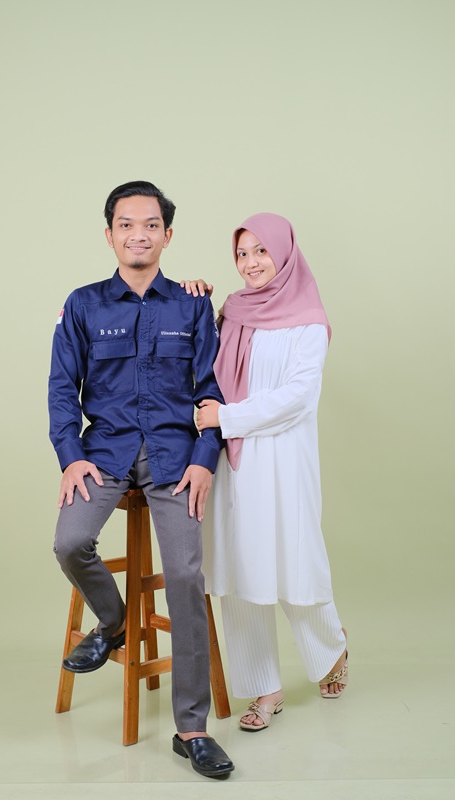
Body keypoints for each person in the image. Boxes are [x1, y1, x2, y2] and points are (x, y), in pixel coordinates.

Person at [48, 181, 234, 778]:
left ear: (167, 235)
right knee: (70, 542)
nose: (138, 234)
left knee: (185, 575)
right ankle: (114, 622)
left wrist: (205, 459)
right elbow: (62, 389)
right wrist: (70, 456)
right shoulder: (82, 305)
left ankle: (192, 728)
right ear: (110, 235)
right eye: (126, 225)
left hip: (175, 458)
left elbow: (211, 392)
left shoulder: (191, 305)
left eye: (150, 225)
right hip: (104, 454)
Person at [184, 212, 348, 732]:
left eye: (261, 251)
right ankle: (263, 688)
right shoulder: (231, 312)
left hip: (282, 460)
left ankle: (331, 649)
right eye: (241, 253)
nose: (251, 263)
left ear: (285, 253)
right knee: (239, 569)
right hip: (232, 463)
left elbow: (298, 397)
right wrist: (191, 300)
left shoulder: (309, 320)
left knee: (295, 561)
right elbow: (197, 359)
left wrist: (227, 418)